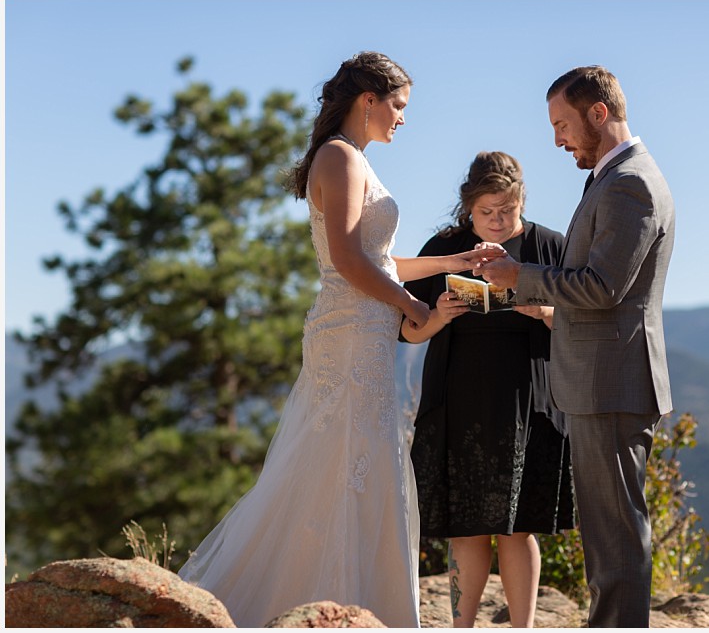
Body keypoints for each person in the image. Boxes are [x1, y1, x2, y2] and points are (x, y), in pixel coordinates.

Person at [177, 51, 503, 628]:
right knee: (338, 463)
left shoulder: (354, 160)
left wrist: (454, 259)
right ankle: (320, 603)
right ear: (368, 100)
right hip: (350, 337)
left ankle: (360, 605)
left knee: (360, 462)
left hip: (366, 336)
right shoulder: (340, 159)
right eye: (398, 106)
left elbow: (378, 259)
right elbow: (351, 262)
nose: (403, 118)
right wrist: (410, 306)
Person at [474, 66, 675, 628]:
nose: (557, 139)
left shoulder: (631, 183)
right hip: (600, 381)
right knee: (609, 532)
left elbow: (602, 286)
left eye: (562, 124)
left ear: (599, 114)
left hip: (610, 381)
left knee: (616, 534)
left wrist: (520, 276)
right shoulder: (612, 180)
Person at [400, 151, 575, 627]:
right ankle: (462, 627)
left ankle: (523, 628)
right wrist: (438, 315)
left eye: (507, 211)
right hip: (458, 402)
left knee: (519, 530)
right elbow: (407, 331)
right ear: (468, 209)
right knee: (466, 527)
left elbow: (582, 327)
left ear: (522, 202)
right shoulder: (446, 246)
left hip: (530, 403)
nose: (497, 222)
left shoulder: (550, 247)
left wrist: (540, 309)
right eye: (486, 213)